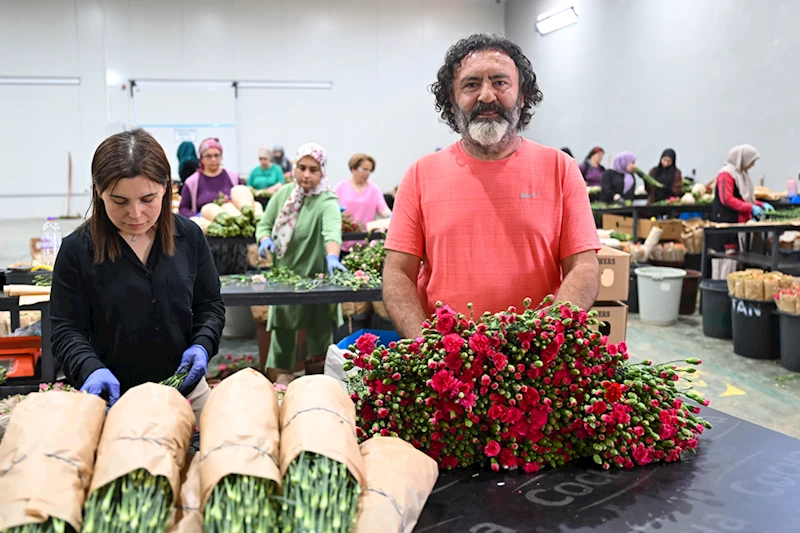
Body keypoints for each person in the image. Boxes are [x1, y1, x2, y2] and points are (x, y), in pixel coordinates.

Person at [383, 34, 600, 339]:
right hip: (446, 357)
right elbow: (398, 273)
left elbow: (584, 267)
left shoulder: (560, 169)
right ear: (451, 98)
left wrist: (547, 337)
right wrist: (424, 344)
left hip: (533, 361)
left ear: (522, 96)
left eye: (500, 82)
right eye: (471, 84)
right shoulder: (421, 174)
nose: (487, 95)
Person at [50, 129, 225, 420]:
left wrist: (202, 344)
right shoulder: (77, 250)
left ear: (166, 188)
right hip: (112, 402)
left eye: (148, 198)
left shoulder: (189, 236)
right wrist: (89, 368)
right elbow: (66, 329)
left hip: (186, 395)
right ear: (98, 192)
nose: (136, 213)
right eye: (119, 201)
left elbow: (210, 305)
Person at [255, 143, 345, 384]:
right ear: (294, 167)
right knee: (282, 335)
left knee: (319, 337)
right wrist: (264, 239)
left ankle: (318, 388)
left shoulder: (326, 200)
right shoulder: (283, 194)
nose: (306, 174)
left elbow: (332, 232)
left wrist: (332, 256)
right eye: (302, 168)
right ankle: (279, 389)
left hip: (316, 281)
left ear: (322, 172)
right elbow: (264, 224)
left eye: (313, 169)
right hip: (284, 280)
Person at [334, 153, 391, 250]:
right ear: (353, 168)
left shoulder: (374, 189)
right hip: (343, 241)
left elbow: (384, 210)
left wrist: (391, 217)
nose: (367, 173)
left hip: (365, 242)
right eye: (364, 169)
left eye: (370, 170)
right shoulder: (341, 187)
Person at [179, 138, 240, 217]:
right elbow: (183, 209)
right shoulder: (192, 182)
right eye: (208, 156)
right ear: (201, 159)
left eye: (216, 155)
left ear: (221, 157)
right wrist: (198, 217)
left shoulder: (233, 177)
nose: (213, 159)